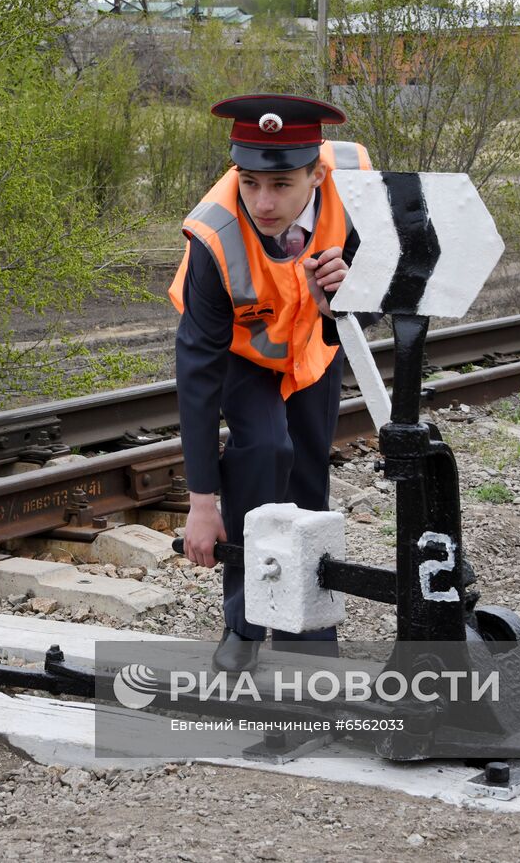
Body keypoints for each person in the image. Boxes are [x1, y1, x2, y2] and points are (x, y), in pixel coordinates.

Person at [169, 94, 371, 672]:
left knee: (308, 472)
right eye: (250, 181)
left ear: (317, 172)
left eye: (281, 184)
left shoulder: (356, 190)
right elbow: (197, 379)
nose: (263, 201)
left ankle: (309, 632)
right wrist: (202, 504)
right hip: (241, 352)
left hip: (313, 345)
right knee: (263, 450)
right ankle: (246, 621)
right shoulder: (213, 236)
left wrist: (347, 301)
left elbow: (391, 286)